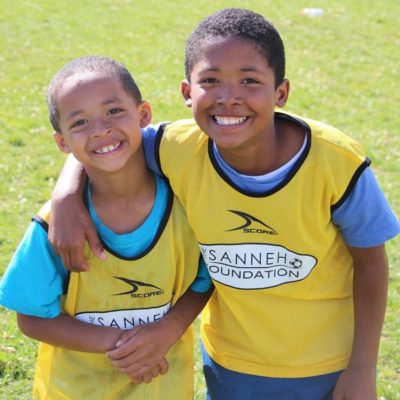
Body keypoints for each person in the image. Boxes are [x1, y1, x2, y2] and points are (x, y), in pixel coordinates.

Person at [47, 9, 400, 400]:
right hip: (231, 362)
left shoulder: (336, 162)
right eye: (210, 81)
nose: (228, 98)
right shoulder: (176, 149)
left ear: (280, 92)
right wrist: (65, 194)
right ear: (187, 93)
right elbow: (107, 141)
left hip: (328, 365)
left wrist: (363, 368)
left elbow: (371, 264)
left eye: (250, 81)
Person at [0, 56, 212, 400]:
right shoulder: (57, 225)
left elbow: (204, 281)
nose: (100, 129)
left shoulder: (186, 204)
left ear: (143, 114)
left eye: (113, 111)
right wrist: (125, 346)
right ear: (63, 142)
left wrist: (168, 329)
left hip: (163, 388)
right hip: (74, 391)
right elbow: (31, 318)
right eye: (80, 122)